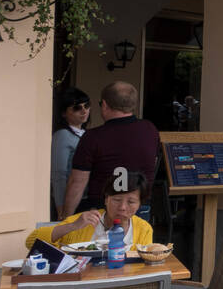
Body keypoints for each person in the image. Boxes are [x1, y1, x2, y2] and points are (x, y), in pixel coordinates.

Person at [61, 81, 160, 218]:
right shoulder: (150, 130)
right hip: (138, 206)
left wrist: (66, 218)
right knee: (138, 239)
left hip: (104, 209)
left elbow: (77, 182)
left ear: (105, 105)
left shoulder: (93, 137)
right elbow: (152, 164)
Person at [26, 169, 154, 252]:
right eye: (117, 199)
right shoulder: (83, 221)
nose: (122, 207)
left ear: (139, 205)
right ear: (106, 199)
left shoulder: (143, 229)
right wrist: (73, 226)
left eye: (131, 202)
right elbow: (31, 241)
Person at [51, 87, 91, 220]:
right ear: (64, 113)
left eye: (86, 105)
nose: (84, 111)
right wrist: (61, 208)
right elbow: (59, 174)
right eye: (76, 108)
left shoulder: (87, 134)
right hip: (70, 202)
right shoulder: (62, 135)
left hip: (85, 198)